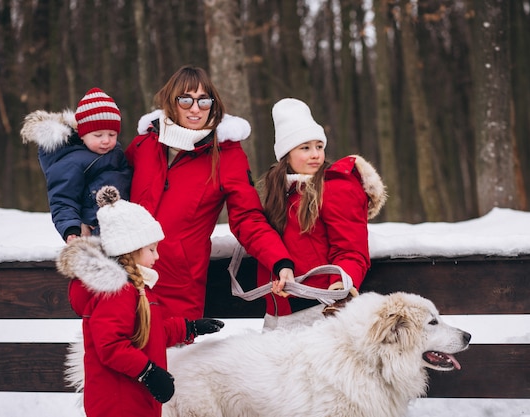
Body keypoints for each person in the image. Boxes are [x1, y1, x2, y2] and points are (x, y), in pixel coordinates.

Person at [125, 65, 295, 320]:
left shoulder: (226, 155)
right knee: (120, 354)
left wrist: (280, 260)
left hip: (178, 286)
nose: (195, 109)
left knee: (175, 359)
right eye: (186, 100)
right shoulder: (144, 145)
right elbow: (106, 191)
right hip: (127, 277)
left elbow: (248, 218)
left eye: (203, 101)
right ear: (171, 101)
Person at [57, 185, 224, 417]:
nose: (157, 256)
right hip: (118, 403)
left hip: (134, 399)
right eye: (152, 249)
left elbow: (147, 333)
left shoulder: (137, 288)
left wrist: (188, 327)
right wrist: (149, 372)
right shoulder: (117, 291)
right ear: (131, 250)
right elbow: (111, 345)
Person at [257, 98, 387, 329]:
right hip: (280, 310)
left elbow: (351, 249)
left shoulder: (335, 187)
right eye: (305, 148)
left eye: (319, 146)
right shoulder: (282, 191)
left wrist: (340, 289)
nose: (315, 154)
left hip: (318, 309)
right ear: (286, 155)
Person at [21, 88, 132, 242]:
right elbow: (62, 199)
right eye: (98, 135)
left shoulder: (116, 153)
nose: (106, 140)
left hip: (122, 228)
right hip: (93, 230)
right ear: (82, 134)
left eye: (112, 134)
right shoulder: (70, 161)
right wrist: (71, 228)